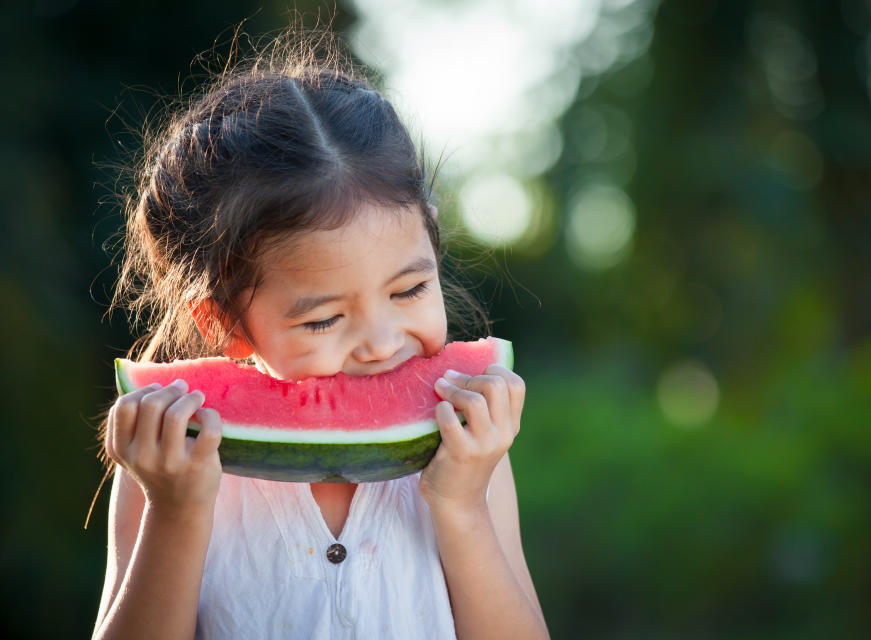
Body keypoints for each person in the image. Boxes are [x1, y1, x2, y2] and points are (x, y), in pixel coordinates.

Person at [92, 28, 549, 640]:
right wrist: (176, 512)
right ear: (225, 323)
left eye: (409, 290)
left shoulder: (470, 448)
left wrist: (461, 506)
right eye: (323, 320)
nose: (382, 343)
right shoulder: (168, 459)